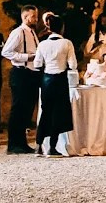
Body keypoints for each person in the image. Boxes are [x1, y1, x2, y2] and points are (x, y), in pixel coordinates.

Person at [34, 12, 80, 157]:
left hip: (46, 80)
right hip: (60, 79)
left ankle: (38, 145)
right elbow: (73, 65)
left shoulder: (42, 44)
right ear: (62, 28)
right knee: (58, 113)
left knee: (46, 112)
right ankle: (52, 147)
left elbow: (37, 64)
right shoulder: (66, 43)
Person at [1, 4, 44, 154]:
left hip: (32, 74)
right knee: (18, 109)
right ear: (25, 17)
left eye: (36, 16)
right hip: (21, 73)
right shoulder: (18, 32)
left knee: (27, 110)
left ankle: (22, 143)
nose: (36, 19)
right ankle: (13, 144)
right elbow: (6, 51)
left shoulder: (32, 32)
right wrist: (27, 57)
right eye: (33, 16)